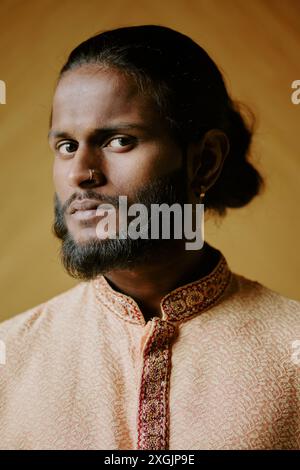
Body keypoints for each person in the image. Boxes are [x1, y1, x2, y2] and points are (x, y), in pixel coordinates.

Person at [0, 25, 299, 450]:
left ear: (205, 162)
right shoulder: (10, 357)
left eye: (120, 141)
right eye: (66, 146)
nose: (80, 172)